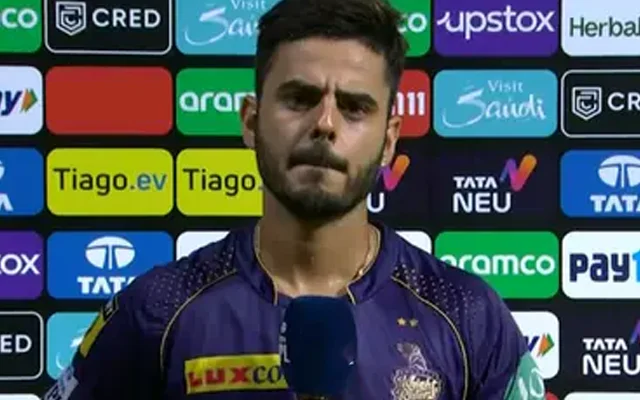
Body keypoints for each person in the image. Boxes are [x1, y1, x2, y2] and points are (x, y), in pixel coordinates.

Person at [43, 0, 545, 398]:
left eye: (354, 107)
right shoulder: (159, 309)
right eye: (299, 99)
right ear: (250, 121)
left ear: (390, 139)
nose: (324, 124)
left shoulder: (467, 315)